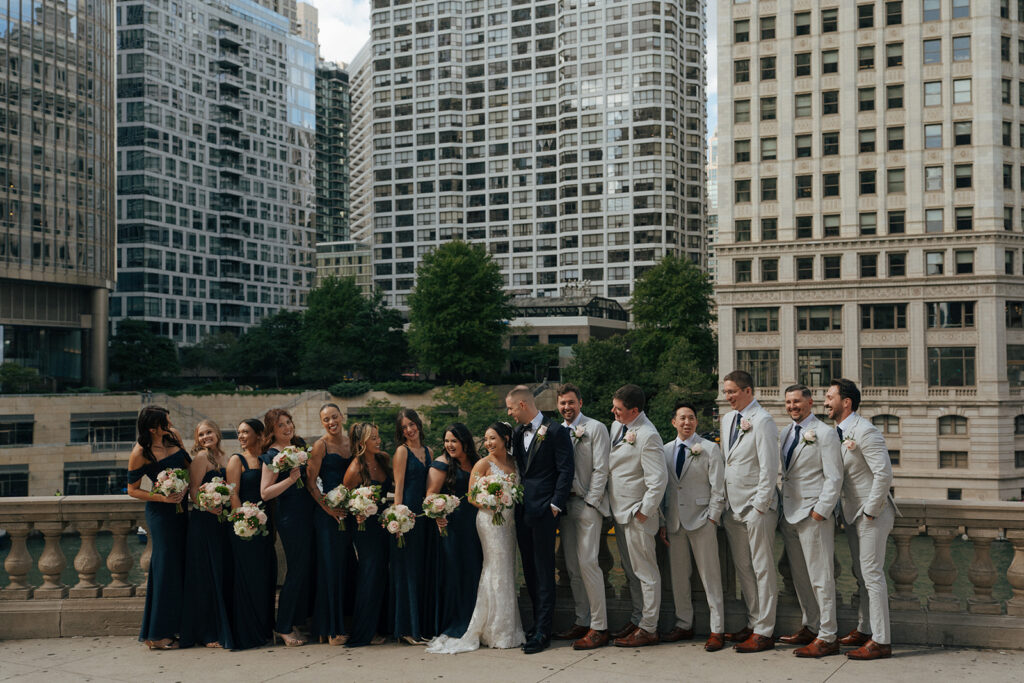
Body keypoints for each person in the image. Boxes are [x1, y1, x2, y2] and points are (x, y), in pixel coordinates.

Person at [426, 422, 525, 654]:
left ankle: (508, 626)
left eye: (493, 438)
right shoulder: (483, 463)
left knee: (507, 569)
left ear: (506, 439)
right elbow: (471, 496)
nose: (489, 443)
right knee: (494, 569)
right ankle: (492, 628)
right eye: (486, 438)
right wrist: (494, 504)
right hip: (489, 520)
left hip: (508, 523)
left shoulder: (514, 462)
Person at [824, 378, 900, 661]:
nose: (825, 402)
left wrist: (869, 511)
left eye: (829, 397)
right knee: (860, 574)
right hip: (852, 513)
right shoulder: (837, 432)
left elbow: (884, 474)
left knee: (872, 575)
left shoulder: (865, 431)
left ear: (846, 402)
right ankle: (865, 628)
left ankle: (881, 640)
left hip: (872, 514)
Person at [505, 386, 574, 654]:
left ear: (522, 405)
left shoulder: (556, 431)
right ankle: (535, 624)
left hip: (546, 511)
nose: (509, 413)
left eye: (510, 408)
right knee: (530, 571)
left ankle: (544, 631)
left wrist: (556, 505)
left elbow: (566, 469)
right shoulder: (517, 432)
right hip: (522, 510)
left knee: (545, 571)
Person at [776, 385, 844, 658]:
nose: (792, 406)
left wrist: (820, 511)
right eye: (789, 402)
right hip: (789, 513)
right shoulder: (784, 433)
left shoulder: (825, 434)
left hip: (813, 515)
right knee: (801, 577)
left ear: (810, 402)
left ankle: (828, 636)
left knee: (821, 577)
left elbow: (834, 477)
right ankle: (811, 625)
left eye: (797, 401)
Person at [658, 400, 727, 652]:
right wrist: (664, 521)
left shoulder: (709, 448)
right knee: (678, 578)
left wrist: (713, 518)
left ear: (696, 422)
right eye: (682, 418)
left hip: (702, 521)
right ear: (674, 422)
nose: (687, 422)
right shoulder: (664, 450)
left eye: (691, 418)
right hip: (675, 522)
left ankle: (717, 629)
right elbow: (664, 488)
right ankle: (683, 623)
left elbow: (719, 487)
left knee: (711, 577)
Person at [720, 370, 779, 653]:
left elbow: (769, 467)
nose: (727, 396)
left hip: (757, 507)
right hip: (732, 506)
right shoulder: (727, 419)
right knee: (744, 568)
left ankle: (765, 631)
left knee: (762, 568)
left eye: (732, 391)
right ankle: (754, 621)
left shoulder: (764, 420)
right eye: (726, 392)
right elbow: (727, 462)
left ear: (747, 391)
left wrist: (760, 506)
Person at [551, 383, 612, 650]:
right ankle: (582, 619)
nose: (567, 407)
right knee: (573, 567)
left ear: (580, 403)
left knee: (589, 564)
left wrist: (592, 501)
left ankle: (600, 627)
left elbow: (602, 469)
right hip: (565, 507)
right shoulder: (554, 432)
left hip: (587, 504)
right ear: (558, 405)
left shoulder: (596, 428)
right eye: (563, 403)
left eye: (571, 402)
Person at [605, 384, 666, 648]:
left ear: (635, 411)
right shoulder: (617, 427)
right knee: (631, 572)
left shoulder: (648, 435)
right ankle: (638, 617)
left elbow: (658, 480)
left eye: (618, 409)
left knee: (646, 573)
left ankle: (649, 628)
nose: (613, 412)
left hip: (636, 514)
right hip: (619, 512)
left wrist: (644, 512)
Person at [126, 406, 189, 650]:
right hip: (161, 514)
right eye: (165, 421)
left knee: (182, 566)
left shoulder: (173, 436)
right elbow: (132, 489)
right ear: (152, 428)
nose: (170, 423)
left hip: (182, 510)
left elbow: (187, 465)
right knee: (165, 569)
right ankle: (156, 634)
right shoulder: (140, 452)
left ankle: (179, 626)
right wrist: (162, 497)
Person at [259, 408, 315, 647]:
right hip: (290, 517)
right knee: (296, 570)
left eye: (289, 422)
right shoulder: (272, 455)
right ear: (272, 430)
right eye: (281, 425)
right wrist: (290, 480)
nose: (287, 427)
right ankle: (282, 626)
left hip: (307, 512)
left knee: (307, 569)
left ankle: (297, 620)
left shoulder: (298, 447)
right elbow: (265, 492)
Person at [180, 420, 234, 649]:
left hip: (222, 523)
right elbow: (193, 490)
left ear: (217, 433)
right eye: (201, 435)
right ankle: (206, 631)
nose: (205, 437)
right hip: (204, 522)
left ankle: (221, 626)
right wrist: (207, 505)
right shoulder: (201, 458)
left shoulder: (225, 457)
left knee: (220, 572)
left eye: (209, 432)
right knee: (205, 575)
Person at [427, 423, 482, 638]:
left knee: (475, 571)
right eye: (447, 441)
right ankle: (457, 620)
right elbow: (430, 496)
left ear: (464, 442)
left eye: (454, 441)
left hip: (476, 525)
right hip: (453, 527)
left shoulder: (477, 463)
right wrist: (438, 513)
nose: (449, 445)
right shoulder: (441, 465)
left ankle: (477, 618)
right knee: (456, 573)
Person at [226, 418, 276, 650]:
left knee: (265, 575)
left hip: (268, 524)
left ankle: (264, 628)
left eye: (246, 432)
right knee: (247, 576)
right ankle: (247, 632)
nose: (241, 436)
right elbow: (232, 494)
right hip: (244, 526)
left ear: (258, 433)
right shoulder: (237, 460)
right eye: (239, 433)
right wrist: (243, 520)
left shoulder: (268, 458)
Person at [307, 403, 355, 646]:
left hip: (348, 514)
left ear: (342, 417)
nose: (331, 422)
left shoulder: (352, 444)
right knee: (329, 571)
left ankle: (338, 625)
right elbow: (311, 482)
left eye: (334, 417)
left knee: (344, 570)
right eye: (326, 419)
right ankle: (330, 629)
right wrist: (328, 508)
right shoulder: (320, 445)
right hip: (327, 516)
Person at [343, 422, 392, 647]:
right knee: (369, 575)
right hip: (365, 529)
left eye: (378, 436)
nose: (378, 440)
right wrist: (357, 512)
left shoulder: (383, 459)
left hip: (384, 523)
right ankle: (365, 630)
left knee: (383, 573)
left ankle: (383, 625)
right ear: (362, 443)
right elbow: (344, 499)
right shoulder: (355, 468)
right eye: (373, 437)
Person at [390, 408, 433, 644]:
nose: (409, 429)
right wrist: (398, 520)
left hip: (424, 518)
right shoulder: (401, 452)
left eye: (412, 424)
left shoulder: (429, 451)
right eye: (404, 427)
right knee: (407, 572)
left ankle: (420, 626)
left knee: (420, 571)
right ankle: (407, 629)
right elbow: (398, 487)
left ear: (418, 423)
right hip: (408, 519)